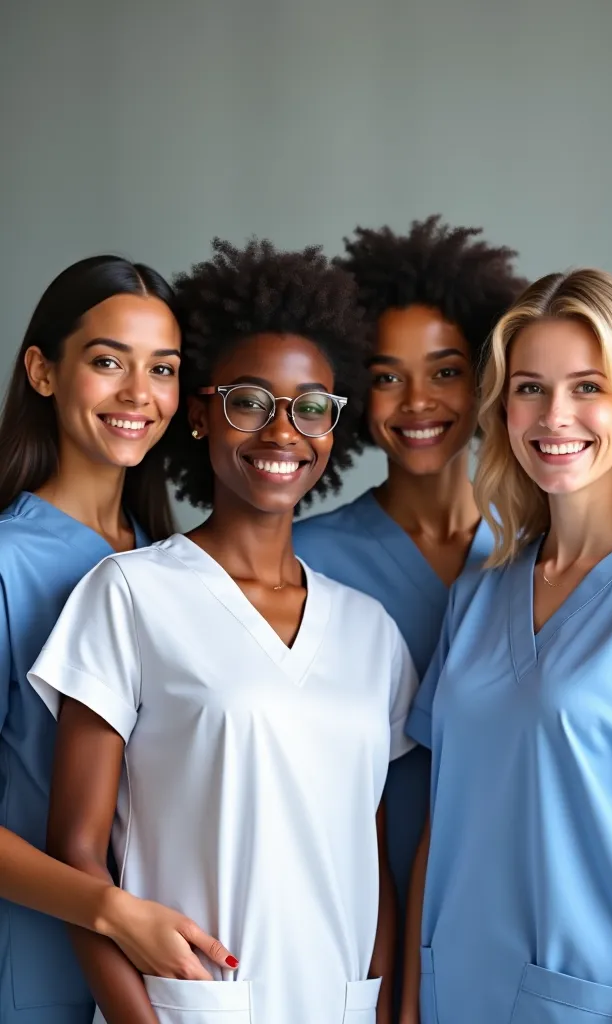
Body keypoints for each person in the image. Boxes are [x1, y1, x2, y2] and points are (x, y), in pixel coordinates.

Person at [28, 238, 418, 1024]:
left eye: (312, 406)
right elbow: (76, 857)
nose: (283, 431)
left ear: (333, 429)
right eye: (249, 400)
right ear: (201, 414)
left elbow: (370, 860)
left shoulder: (371, 632)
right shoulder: (129, 595)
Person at [403, 268, 612, 1023]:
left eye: (587, 386)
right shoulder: (481, 591)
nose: (554, 415)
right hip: (453, 995)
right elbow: (446, 814)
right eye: (529, 388)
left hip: (594, 1005)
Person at [0, 255, 236, 1024]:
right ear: (42, 370)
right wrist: (109, 911)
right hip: (37, 967)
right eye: (108, 362)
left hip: (167, 974)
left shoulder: (170, 564)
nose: (139, 395)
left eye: (162, 370)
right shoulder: (8, 563)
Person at [293, 216, 526, 986]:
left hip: (508, 895)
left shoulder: (544, 556)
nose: (417, 401)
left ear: (488, 378)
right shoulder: (306, 556)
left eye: (446, 371)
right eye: (388, 375)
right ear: (357, 391)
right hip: (344, 902)